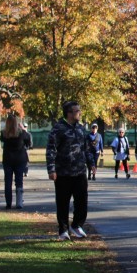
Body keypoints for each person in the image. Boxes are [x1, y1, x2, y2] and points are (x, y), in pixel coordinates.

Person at [47, 101, 94, 240]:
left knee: (82, 201)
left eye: (79, 110)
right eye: (77, 111)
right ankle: (63, 230)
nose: (79, 113)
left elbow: (86, 148)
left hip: (80, 172)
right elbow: (51, 149)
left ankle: (77, 225)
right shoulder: (58, 129)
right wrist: (51, 169)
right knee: (63, 202)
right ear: (69, 113)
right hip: (63, 172)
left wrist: (91, 163)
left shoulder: (81, 129)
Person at [0, 114, 32, 209]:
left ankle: (8, 203)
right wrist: (23, 130)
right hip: (20, 159)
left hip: (8, 159)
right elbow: (28, 142)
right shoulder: (21, 133)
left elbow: (2, 139)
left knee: (8, 181)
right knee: (19, 180)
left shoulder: (4, 134)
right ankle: (19, 202)